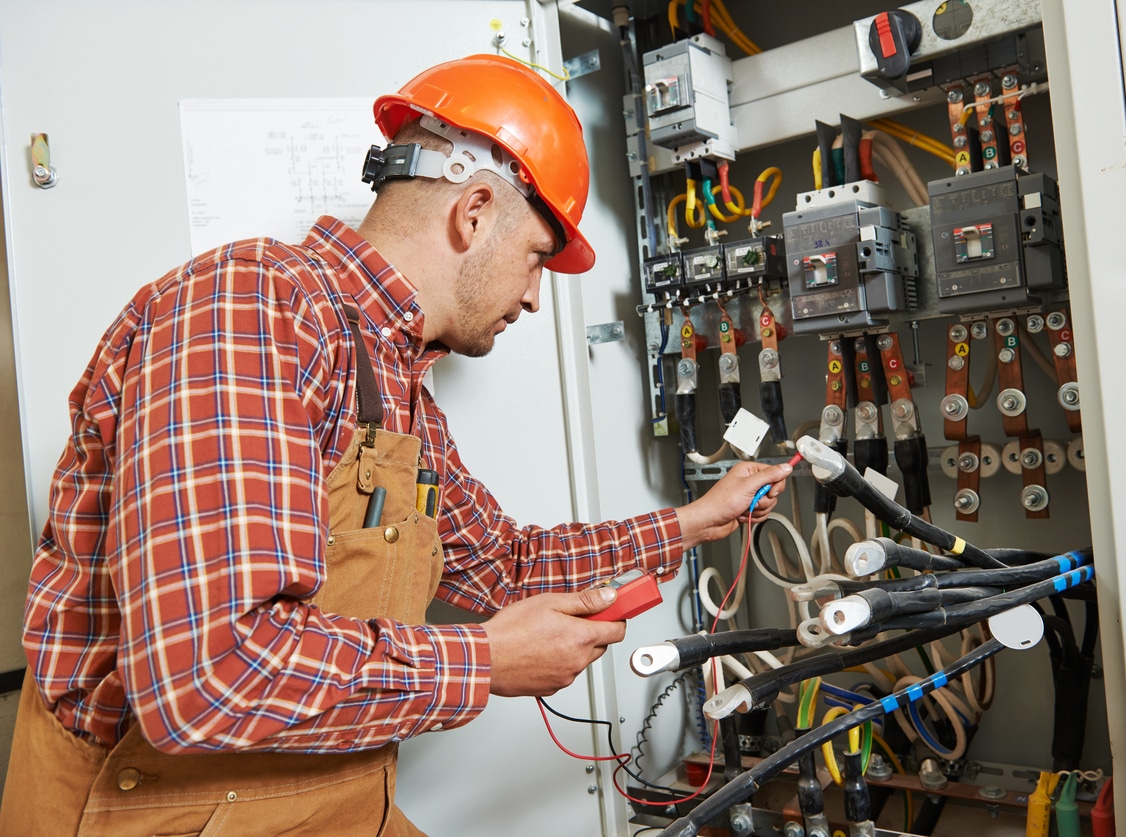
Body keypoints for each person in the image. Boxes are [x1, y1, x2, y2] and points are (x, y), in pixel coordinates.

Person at [0, 55, 792, 836]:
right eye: (536, 258)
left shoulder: (393, 369)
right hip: (158, 809)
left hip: (328, 797)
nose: (531, 297)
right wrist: (484, 661)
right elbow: (209, 673)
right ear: (474, 210)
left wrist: (694, 522)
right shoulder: (249, 307)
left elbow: (500, 561)